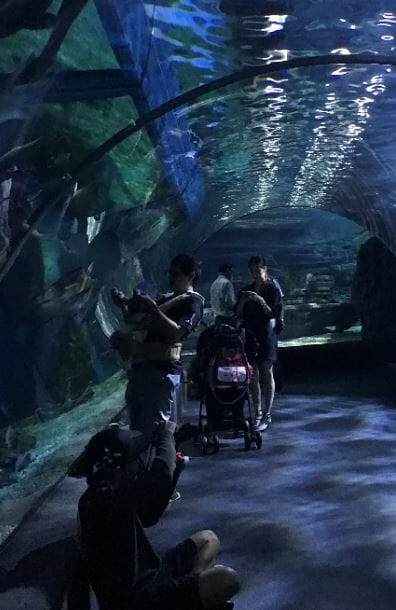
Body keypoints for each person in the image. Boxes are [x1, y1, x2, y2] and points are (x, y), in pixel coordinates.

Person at [69, 421, 240, 610]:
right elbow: (160, 475)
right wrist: (167, 436)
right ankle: (191, 598)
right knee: (227, 579)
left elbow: (150, 515)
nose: (139, 462)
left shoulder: (107, 493)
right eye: (135, 458)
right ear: (118, 469)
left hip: (152, 574)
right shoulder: (105, 499)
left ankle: (190, 597)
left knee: (209, 539)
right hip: (137, 599)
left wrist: (176, 471)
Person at [110, 254, 204, 439]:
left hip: (162, 372)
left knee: (158, 430)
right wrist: (123, 305)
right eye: (169, 273)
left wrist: (152, 308)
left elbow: (178, 332)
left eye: (176, 274)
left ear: (191, 275)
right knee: (137, 427)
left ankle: (163, 463)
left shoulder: (192, 301)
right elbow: (137, 321)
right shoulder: (165, 298)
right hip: (140, 369)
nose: (170, 278)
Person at [235, 255, 284, 431]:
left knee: (266, 372)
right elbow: (239, 315)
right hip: (250, 336)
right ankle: (257, 411)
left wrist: (260, 300)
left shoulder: (272, 289)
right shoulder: (245, 290)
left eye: (258, 269)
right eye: (253, 271)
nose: (256, 273)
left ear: (265, 269)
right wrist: (243, 300)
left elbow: (272, 313)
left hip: (266, 335)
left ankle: (267, 413)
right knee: (253, 375)